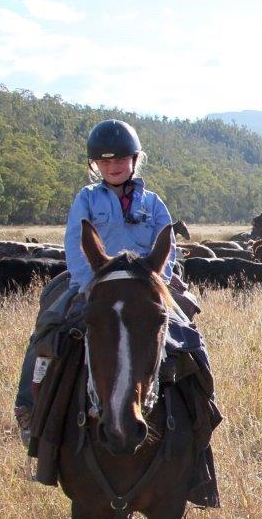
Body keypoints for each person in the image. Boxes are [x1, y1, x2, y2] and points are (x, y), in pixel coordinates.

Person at [13, 119, 199, 444]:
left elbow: (166, 249)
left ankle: (202, 417)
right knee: (48, 327)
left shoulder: (153, 204)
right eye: (105, 160)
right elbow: (75, 243)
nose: (113, 166)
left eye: (120, 159)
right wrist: (92, 284)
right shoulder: (86, 199)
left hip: (147, 285)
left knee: (191, 336)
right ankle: (29, 407)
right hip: (95, 281)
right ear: (95, 164)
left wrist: (156, 283)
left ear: (135, 159)